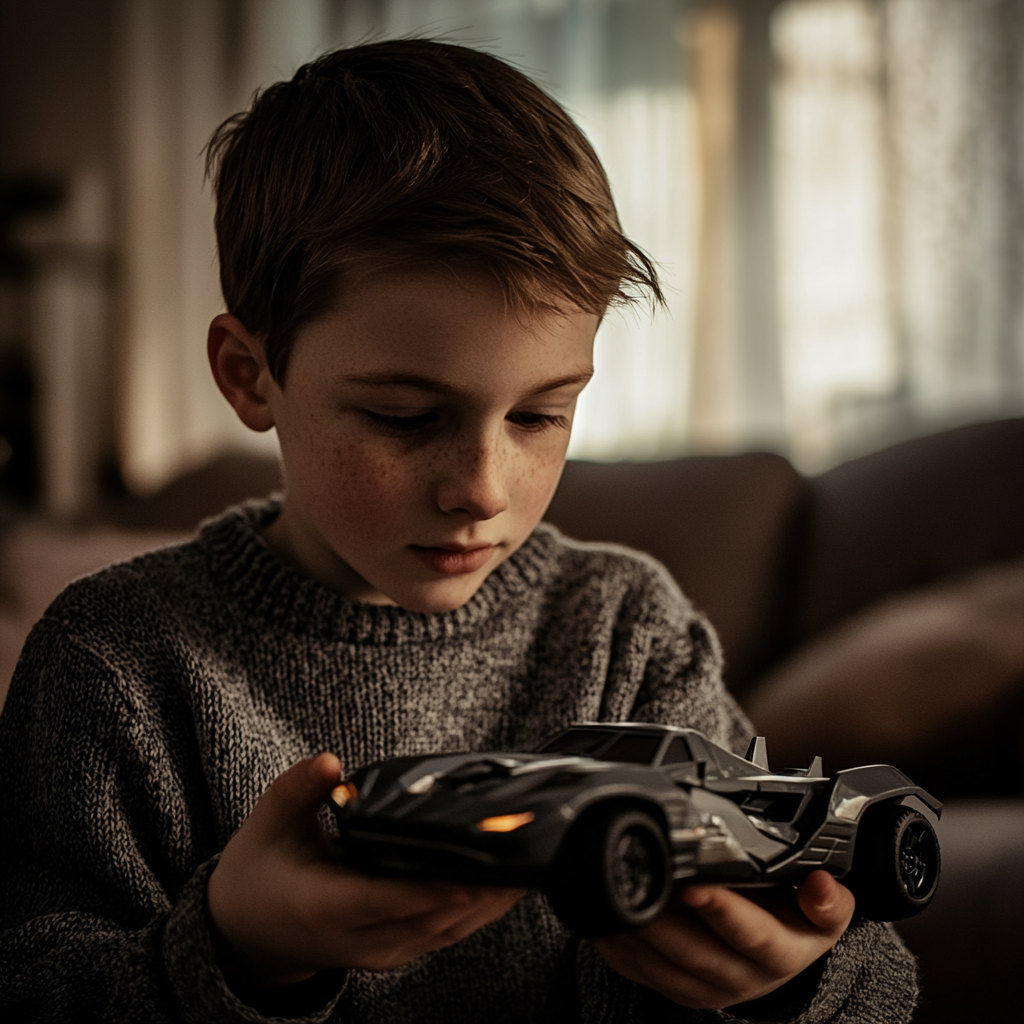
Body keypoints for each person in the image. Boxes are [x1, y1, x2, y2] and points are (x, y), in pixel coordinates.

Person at [0, 40, 916, 1023]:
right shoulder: (117, 660)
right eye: (404, 417)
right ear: (248, 374)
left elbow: (881, 979)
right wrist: (235, 947)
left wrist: (794, 983)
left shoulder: (624, 627)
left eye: (538, 415)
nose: (483, 488)